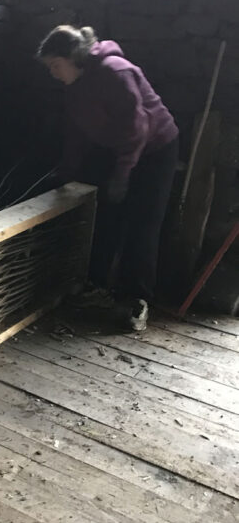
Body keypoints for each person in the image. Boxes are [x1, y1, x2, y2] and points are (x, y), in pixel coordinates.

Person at [38, 25, 179, 331]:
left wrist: (123, 174)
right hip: (117, 148)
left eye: (55, 65)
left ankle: (136, 300)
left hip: (155, 149)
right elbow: (77, 131)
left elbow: (137, 128)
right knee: (106, 216)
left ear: (73, 57)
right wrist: (68, 171)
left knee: (143, 224)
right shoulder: (75, 84)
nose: (53, 73)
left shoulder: (115, 72)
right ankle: (98, 286)